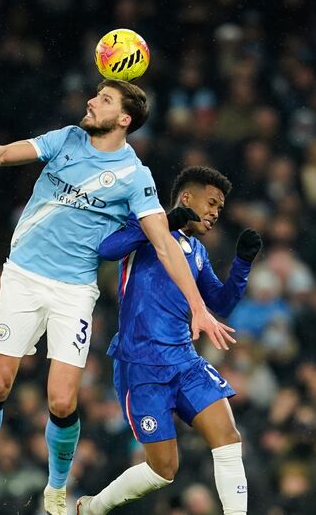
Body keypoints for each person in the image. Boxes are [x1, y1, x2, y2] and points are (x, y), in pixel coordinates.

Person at [0, 80, 234, 515]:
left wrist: (198, 307)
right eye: (96, 95)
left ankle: (56, 494)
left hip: (74, 291)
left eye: (104, 99)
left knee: (62, 400)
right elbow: (5, 153)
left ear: (124, 119)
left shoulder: (135, 176)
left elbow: (165, 244)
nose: (91, 102)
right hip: (24, 276)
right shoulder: (66, 139)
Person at [77, 166, 261, 514]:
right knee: (163, 470)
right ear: (186, 197)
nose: (215, 213)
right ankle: (91, 509)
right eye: (211, 203)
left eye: (220, 208)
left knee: (228, 439)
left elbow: (220, 304)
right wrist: (163, 224)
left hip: (185, 361)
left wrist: (242, 264)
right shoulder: (146, 226)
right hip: (141, 365)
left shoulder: (197, 252)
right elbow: (107, 248)